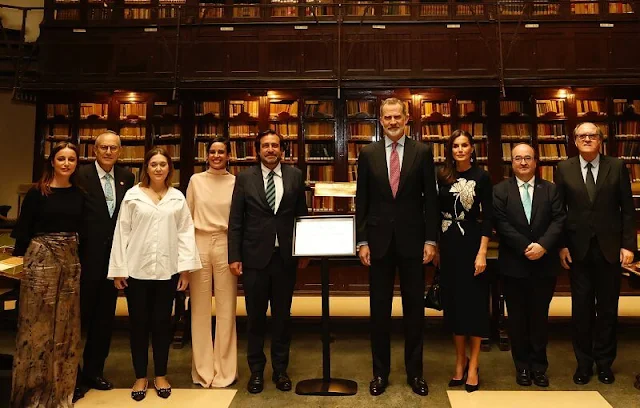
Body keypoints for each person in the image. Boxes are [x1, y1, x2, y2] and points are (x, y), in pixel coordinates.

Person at [355, 97, 438, 397]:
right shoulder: (368, 153)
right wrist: (361, 240)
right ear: (381, 120)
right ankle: (380, 373)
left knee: (414, 311)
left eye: (396, 117)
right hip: (377, 244)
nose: (392, 122)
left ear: (407, 119)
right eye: (386, 117)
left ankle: (415, 374)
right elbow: (361, 200)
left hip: (414, 244)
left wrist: (431, 240)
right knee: (379, 311)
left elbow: (430, 199)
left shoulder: (423, 152)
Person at [108, 147, 201, 401]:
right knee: (138, 325)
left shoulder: (177, 197)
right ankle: (140, 375)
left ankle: (160, 374)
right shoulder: (132, 196)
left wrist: (185, 269)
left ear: (169, 168)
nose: (158, 168)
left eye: (163, 164)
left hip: (167, 271)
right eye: (153, 164)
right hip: (137, 271)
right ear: (146, 168)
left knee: (162, 324)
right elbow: (122, 233)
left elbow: (185, 233)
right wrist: (119, 269)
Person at [228, 129, 308, 394]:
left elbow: (301, 215)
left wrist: (303, 249)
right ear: (257, 150)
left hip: (285, 259)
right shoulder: (244, 178)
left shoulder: (295, 175)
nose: (270, 150)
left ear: (282, 150)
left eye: (275, 145)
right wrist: (234, 256)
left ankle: (281, 371)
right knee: (255, 319)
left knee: (283, 318)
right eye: (265, 146)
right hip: (253, 260)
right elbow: (236, 221)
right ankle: (257, 372)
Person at [555, 122, 635, 385]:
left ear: (600, 140)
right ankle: (583, 364)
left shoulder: (617, 166)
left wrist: (628, 246)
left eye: (592, 135)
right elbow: (560, 212)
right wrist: (562, 245)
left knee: (608, 310)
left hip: (610, 250)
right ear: (575, 141)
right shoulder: (564, 168)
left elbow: (627, 209)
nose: (587, 139)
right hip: (577, 250)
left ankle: (604, 363)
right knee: (581, 310)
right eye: (582, 136)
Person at [10, 142, 84, 408]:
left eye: (71, 159)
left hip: (71, 262)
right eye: (61, 158)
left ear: (76, 164)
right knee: (37, 324)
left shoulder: (79, 194)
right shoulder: (36, 193)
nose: (66, 163)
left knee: (66, 323)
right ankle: (32, 391)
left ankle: (61, 387)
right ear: (52, 162)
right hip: (41, 260)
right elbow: (23, 232)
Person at [493, 143, 566, 387]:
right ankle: (522, 367)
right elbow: (501, 223)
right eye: (518, 158)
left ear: (536, 162)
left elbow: (559, 220)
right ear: (511, 163)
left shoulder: (551, 190)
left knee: (539, 318)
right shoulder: (500, 190)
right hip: (514, 263)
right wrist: (526, 246)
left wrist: (543, 246)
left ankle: (539, 367)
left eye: (527, 158)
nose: (523, 162)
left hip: (544, 265)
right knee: (516, 319)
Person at [74, 131, 135, 402]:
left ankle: (94, 371)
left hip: (114, 262)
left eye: (113, 148)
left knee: (103, 321)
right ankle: (72, 375)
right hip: (84, 260)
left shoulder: (128, 176)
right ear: (94, 150)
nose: (108, 152)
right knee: (78, 321)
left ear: (120, 151)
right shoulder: (80, 175)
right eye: (103, 147)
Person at [436, 129, 492, 393]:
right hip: (448, 246)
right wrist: (435, 247)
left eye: (464, 145)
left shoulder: (482, 177)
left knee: (475, 306)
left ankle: (474, 364)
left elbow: (488, 218)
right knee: (455, 306)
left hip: (471, 245)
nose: (459, 149)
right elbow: (433, 213)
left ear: (472, 148)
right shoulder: (442, 176)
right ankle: (460, 360)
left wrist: (482, 252)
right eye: (455, 146)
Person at [186, 136, 238, 388]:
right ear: (206, 156)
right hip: (199, 242)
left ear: (229, 156)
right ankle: (203, 370)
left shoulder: (236, 182)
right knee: (200, 308)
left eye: (221, 152)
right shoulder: (196, 181)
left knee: (227, 308)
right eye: (213, 152)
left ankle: (226, 370)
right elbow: (186, 219)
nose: (217, 156)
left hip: (226, 243)